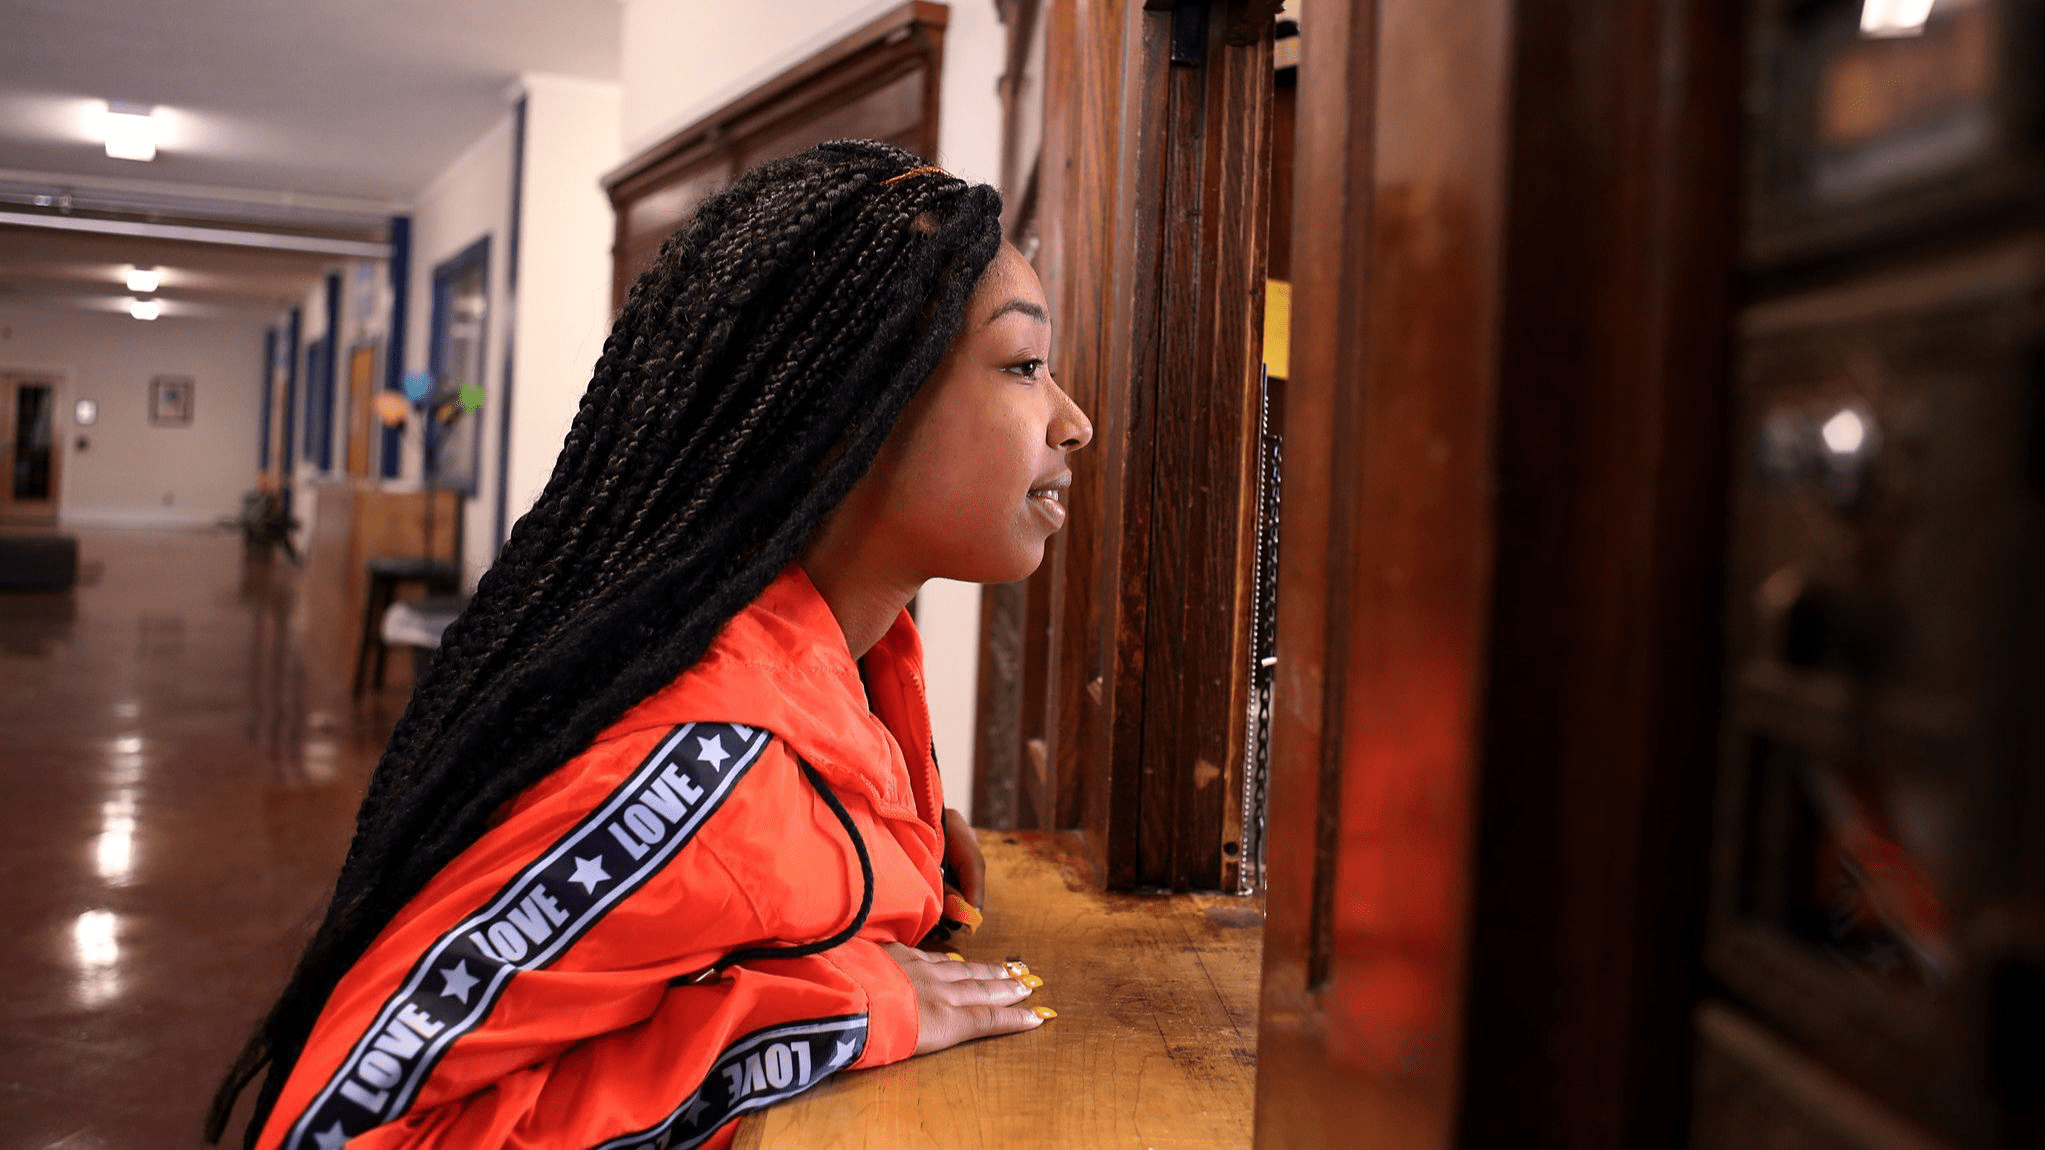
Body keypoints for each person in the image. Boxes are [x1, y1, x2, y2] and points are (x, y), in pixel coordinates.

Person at [206, 139, 1093, 1150]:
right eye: (1023, 366)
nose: (1072, 422)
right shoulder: (707, 764)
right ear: (849, 411)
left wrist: (896, 868)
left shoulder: (857, 655)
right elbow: (337, 1133)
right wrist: (810, 1017)